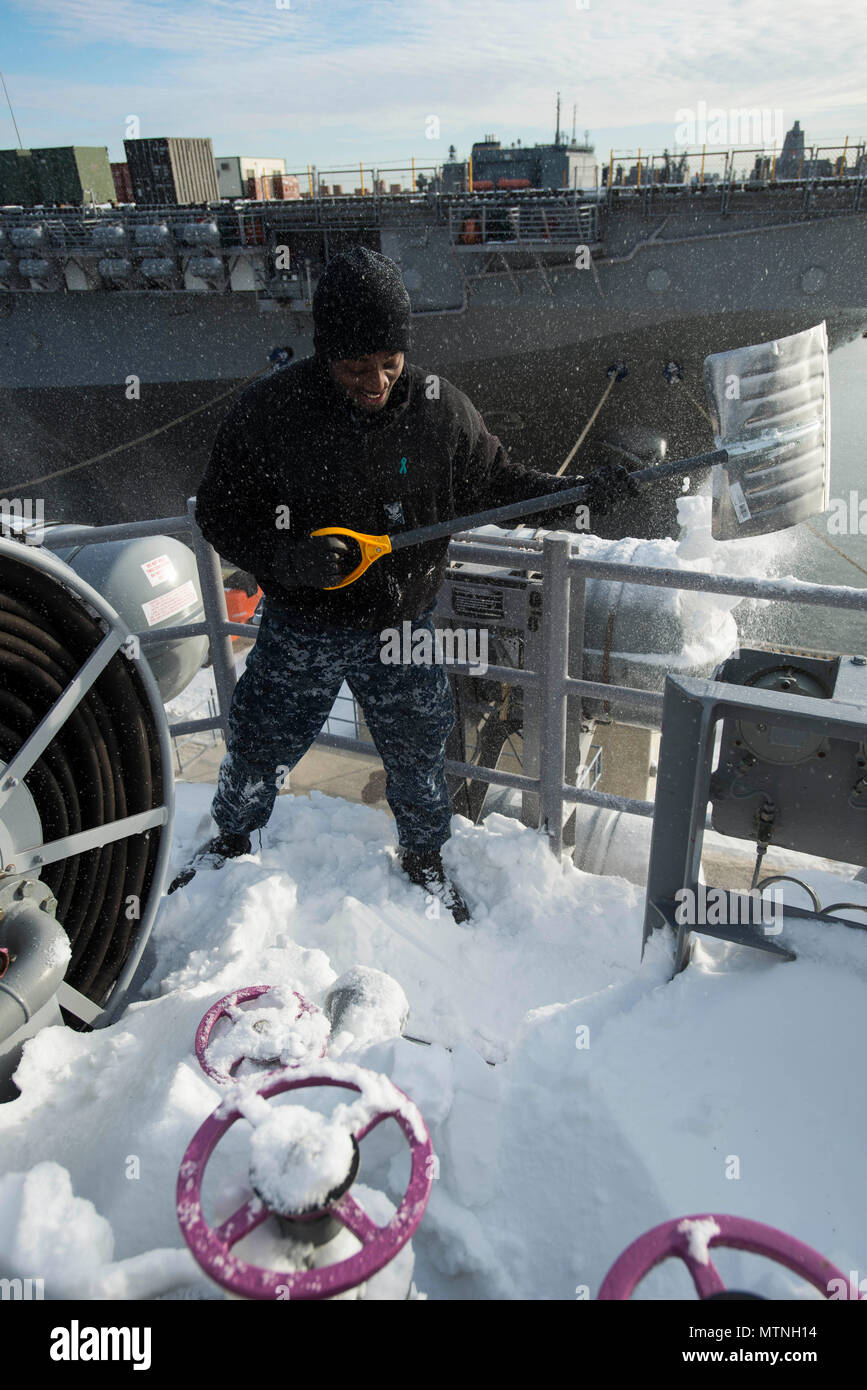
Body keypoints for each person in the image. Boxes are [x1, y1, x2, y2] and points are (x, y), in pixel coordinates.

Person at [169, 246, 636, 918]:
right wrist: (285, 558)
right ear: (325, 354)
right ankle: (232, 842)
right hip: (303, 627)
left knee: (419, 750)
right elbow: (218, 511)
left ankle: (424, 857)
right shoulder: (269, 412)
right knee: (258, 742)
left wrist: (583, 493)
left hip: (400, 628)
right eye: (357, 368)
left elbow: (500, 489)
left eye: (389, 365)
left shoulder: (440, 411)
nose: (376, 382)